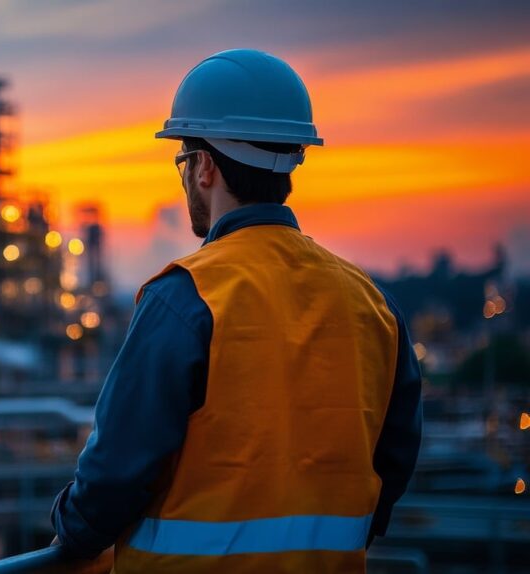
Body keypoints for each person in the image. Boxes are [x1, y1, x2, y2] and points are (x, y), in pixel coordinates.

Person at [51, 49, 423, 572]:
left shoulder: (184, 298)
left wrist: (70, 528)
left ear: (204, 166)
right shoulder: (370, 302)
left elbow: (113, 476)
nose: (184, 175)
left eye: (183, 160)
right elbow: (395, 457)